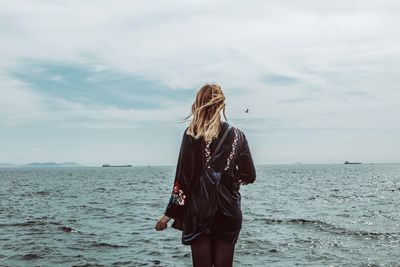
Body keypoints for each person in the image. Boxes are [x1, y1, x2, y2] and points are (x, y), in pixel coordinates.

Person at [155, 83, 256, 267]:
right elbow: (249, 175)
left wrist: (168, 215)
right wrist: (228, 180)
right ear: (222, 105)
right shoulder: (238, 135)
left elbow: (183, 179)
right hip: (228, 211)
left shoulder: (192, 133)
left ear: (198, 104)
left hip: (199, 211)